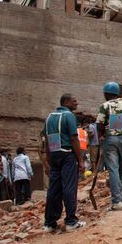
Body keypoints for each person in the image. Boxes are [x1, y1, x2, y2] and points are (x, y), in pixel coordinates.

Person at [43, 93, 86, 232]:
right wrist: (80, 161)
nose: (76, 103)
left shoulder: (49, 117)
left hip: (54, 154)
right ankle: (71, 221)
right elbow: (74, 139)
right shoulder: (69, 116)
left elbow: (47, 140)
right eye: (74, 101)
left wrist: (48, 160)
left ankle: (49, 223)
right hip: (67, 154)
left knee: (54, 189)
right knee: (69, 187)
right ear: (66, 102)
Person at [96, 82, 122, 210]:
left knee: (113, 169)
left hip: (111, 139)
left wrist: (101, 136)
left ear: (106, 94)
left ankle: (117, 201)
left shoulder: (105, 106)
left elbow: (99, 124)